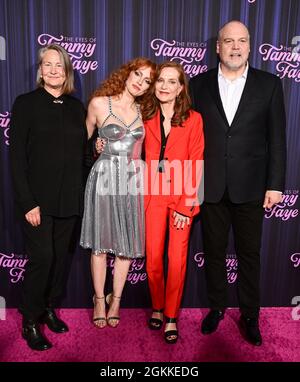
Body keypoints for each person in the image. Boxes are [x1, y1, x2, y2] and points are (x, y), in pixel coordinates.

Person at [189, 20, 286, 346]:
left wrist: (275, 184)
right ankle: (216, 308)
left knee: (249, 255)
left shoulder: (269, 85)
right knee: (213, 253)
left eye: (241, 40)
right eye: (228, 41)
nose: (234, 47)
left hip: (251, 188)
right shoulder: (197, 85)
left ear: (249, 45)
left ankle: (250, 315)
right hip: (211, 185)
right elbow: (185, 135)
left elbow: (278, 140)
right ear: (217, 47)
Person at [10, 44, 87, 351]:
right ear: (40, 70)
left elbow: (82, 155)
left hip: (69, 200)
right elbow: (16, 158)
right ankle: (30, 320)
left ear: (67, 71)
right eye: (48, 64)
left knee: (59, 260)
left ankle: (49, 309)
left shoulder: (75, 107)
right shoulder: (26, 103)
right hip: (37, 203)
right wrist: (27, 202)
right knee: (42, 259)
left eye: (60, 65)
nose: (54, 69)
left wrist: (95, 153)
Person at [80, 57, 157, 329]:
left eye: (147, 80)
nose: (140, 82)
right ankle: (100, 299)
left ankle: (117, 301)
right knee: (100, 245)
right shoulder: (100, 103)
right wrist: (95, 147)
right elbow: (80, 144)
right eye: (138, 74)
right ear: (127, 73)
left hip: (131, 182)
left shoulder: (145, 112)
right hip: (103, 178)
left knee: (125, 246)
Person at [143, 62, 204, 343]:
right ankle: (156, 306)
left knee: (176, 260)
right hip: (152, 197)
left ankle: (170, 315)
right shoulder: (144, 115)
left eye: (172, 82)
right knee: (154, 258)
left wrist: (187, 205)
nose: (165, 86)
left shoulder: (194, 119)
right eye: (161, 81)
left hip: (181, 198)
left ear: (181, 88)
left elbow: (196, 163)